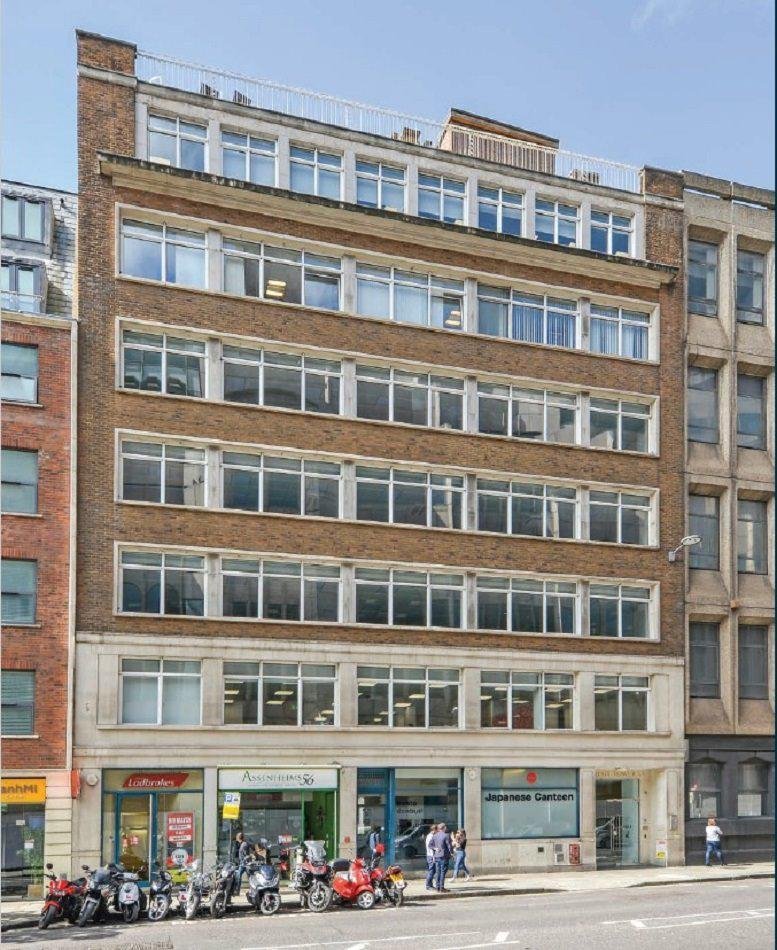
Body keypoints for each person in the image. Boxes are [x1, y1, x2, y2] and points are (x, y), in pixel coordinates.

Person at [430, 822, 453, 892]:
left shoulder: (435, 835)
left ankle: (437, 887)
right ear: (444, 828)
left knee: (438, 872)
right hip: (444, 856)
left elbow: (429, 845)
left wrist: (435, 848)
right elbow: (449, 846)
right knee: (443, 872)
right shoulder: (446, 835)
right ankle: (441, 887)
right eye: (445, 827)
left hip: (437, 856)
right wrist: (452, 853)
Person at [424, 823, 438, 891]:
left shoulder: (431, 835)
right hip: (431, 856)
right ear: (434, 830)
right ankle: (428, 885)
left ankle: (430, 884)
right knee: (431, 871)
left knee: (433, 870)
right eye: (437, 830)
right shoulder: (430, 836)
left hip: (431, 855)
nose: (437, 831)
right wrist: (433, 857)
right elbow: (430, 847)